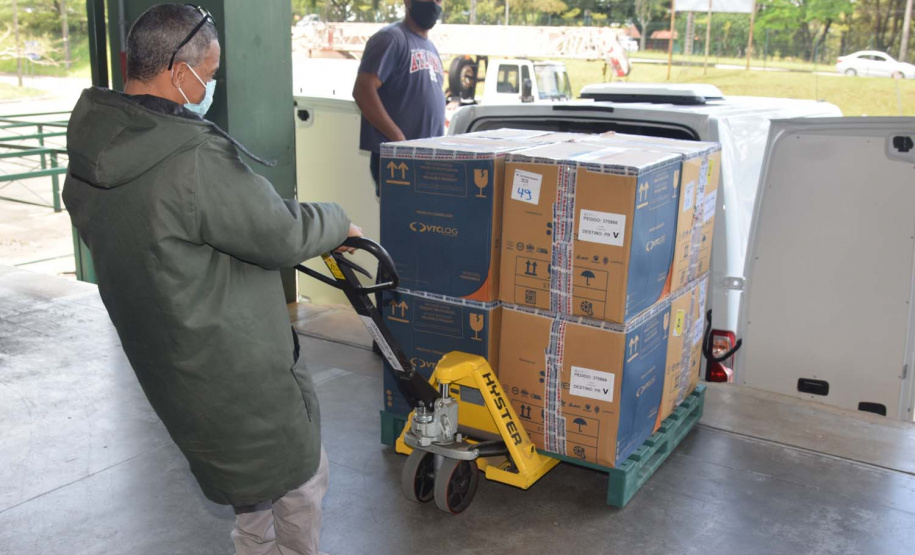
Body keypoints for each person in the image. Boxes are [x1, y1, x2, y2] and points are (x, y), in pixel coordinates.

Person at [62, 5, 360, 554]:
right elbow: (280, 233)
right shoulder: (192, 158)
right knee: (301, 476)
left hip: (170, 359)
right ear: (180, 73)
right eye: (211, 74)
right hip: (232, 363)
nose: (212, 86)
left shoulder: (93, 146)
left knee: (251, 490)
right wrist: (338, 221)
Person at [353, 0, 446, 196]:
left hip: (427, 160)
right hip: (399, 160)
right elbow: (363, 90)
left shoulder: (431, 48)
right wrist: (398, 139)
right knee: (402, 213)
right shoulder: (391, 39)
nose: (433, 3)